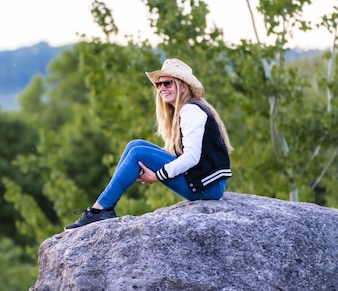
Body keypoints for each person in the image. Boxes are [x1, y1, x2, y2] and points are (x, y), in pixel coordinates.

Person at [65, 58, 233, 230]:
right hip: (205, 182)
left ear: (184, 86)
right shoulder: (188, 108)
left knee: (138, 153)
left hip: (207, 187)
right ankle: (105, 207)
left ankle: (99, 210)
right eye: (159, 85)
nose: (161, 89)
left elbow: (191, 157)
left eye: (167, 83)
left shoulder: (191, 110)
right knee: (134, 145)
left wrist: (158, 175)